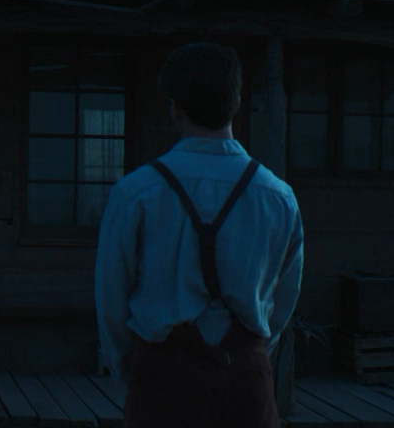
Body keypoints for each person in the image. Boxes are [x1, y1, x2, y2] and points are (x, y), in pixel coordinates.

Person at [95, 43, 304, 428]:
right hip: (246, 380)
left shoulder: (136, 192)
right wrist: (252, 353)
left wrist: (129, 370)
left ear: (175, 107)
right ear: (236, 102)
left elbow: (111, 297)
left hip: (162, 376)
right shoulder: (278, 197)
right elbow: (283, 299)